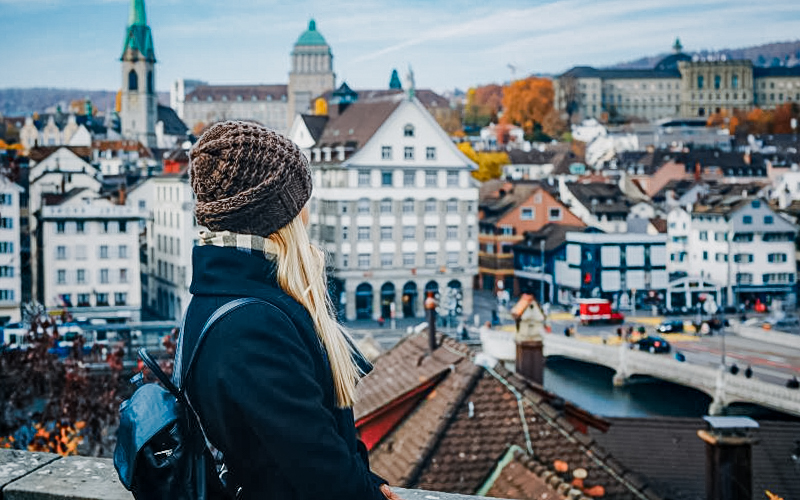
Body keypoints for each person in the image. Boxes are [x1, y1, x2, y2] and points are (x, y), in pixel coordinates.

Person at [178, 121, 399, 500]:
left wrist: (366, 479)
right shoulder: (253, 326)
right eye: (300, 202)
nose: (308, 215)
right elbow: (319, 468)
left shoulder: (224, 296)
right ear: (276, 217)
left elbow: (302, 443)